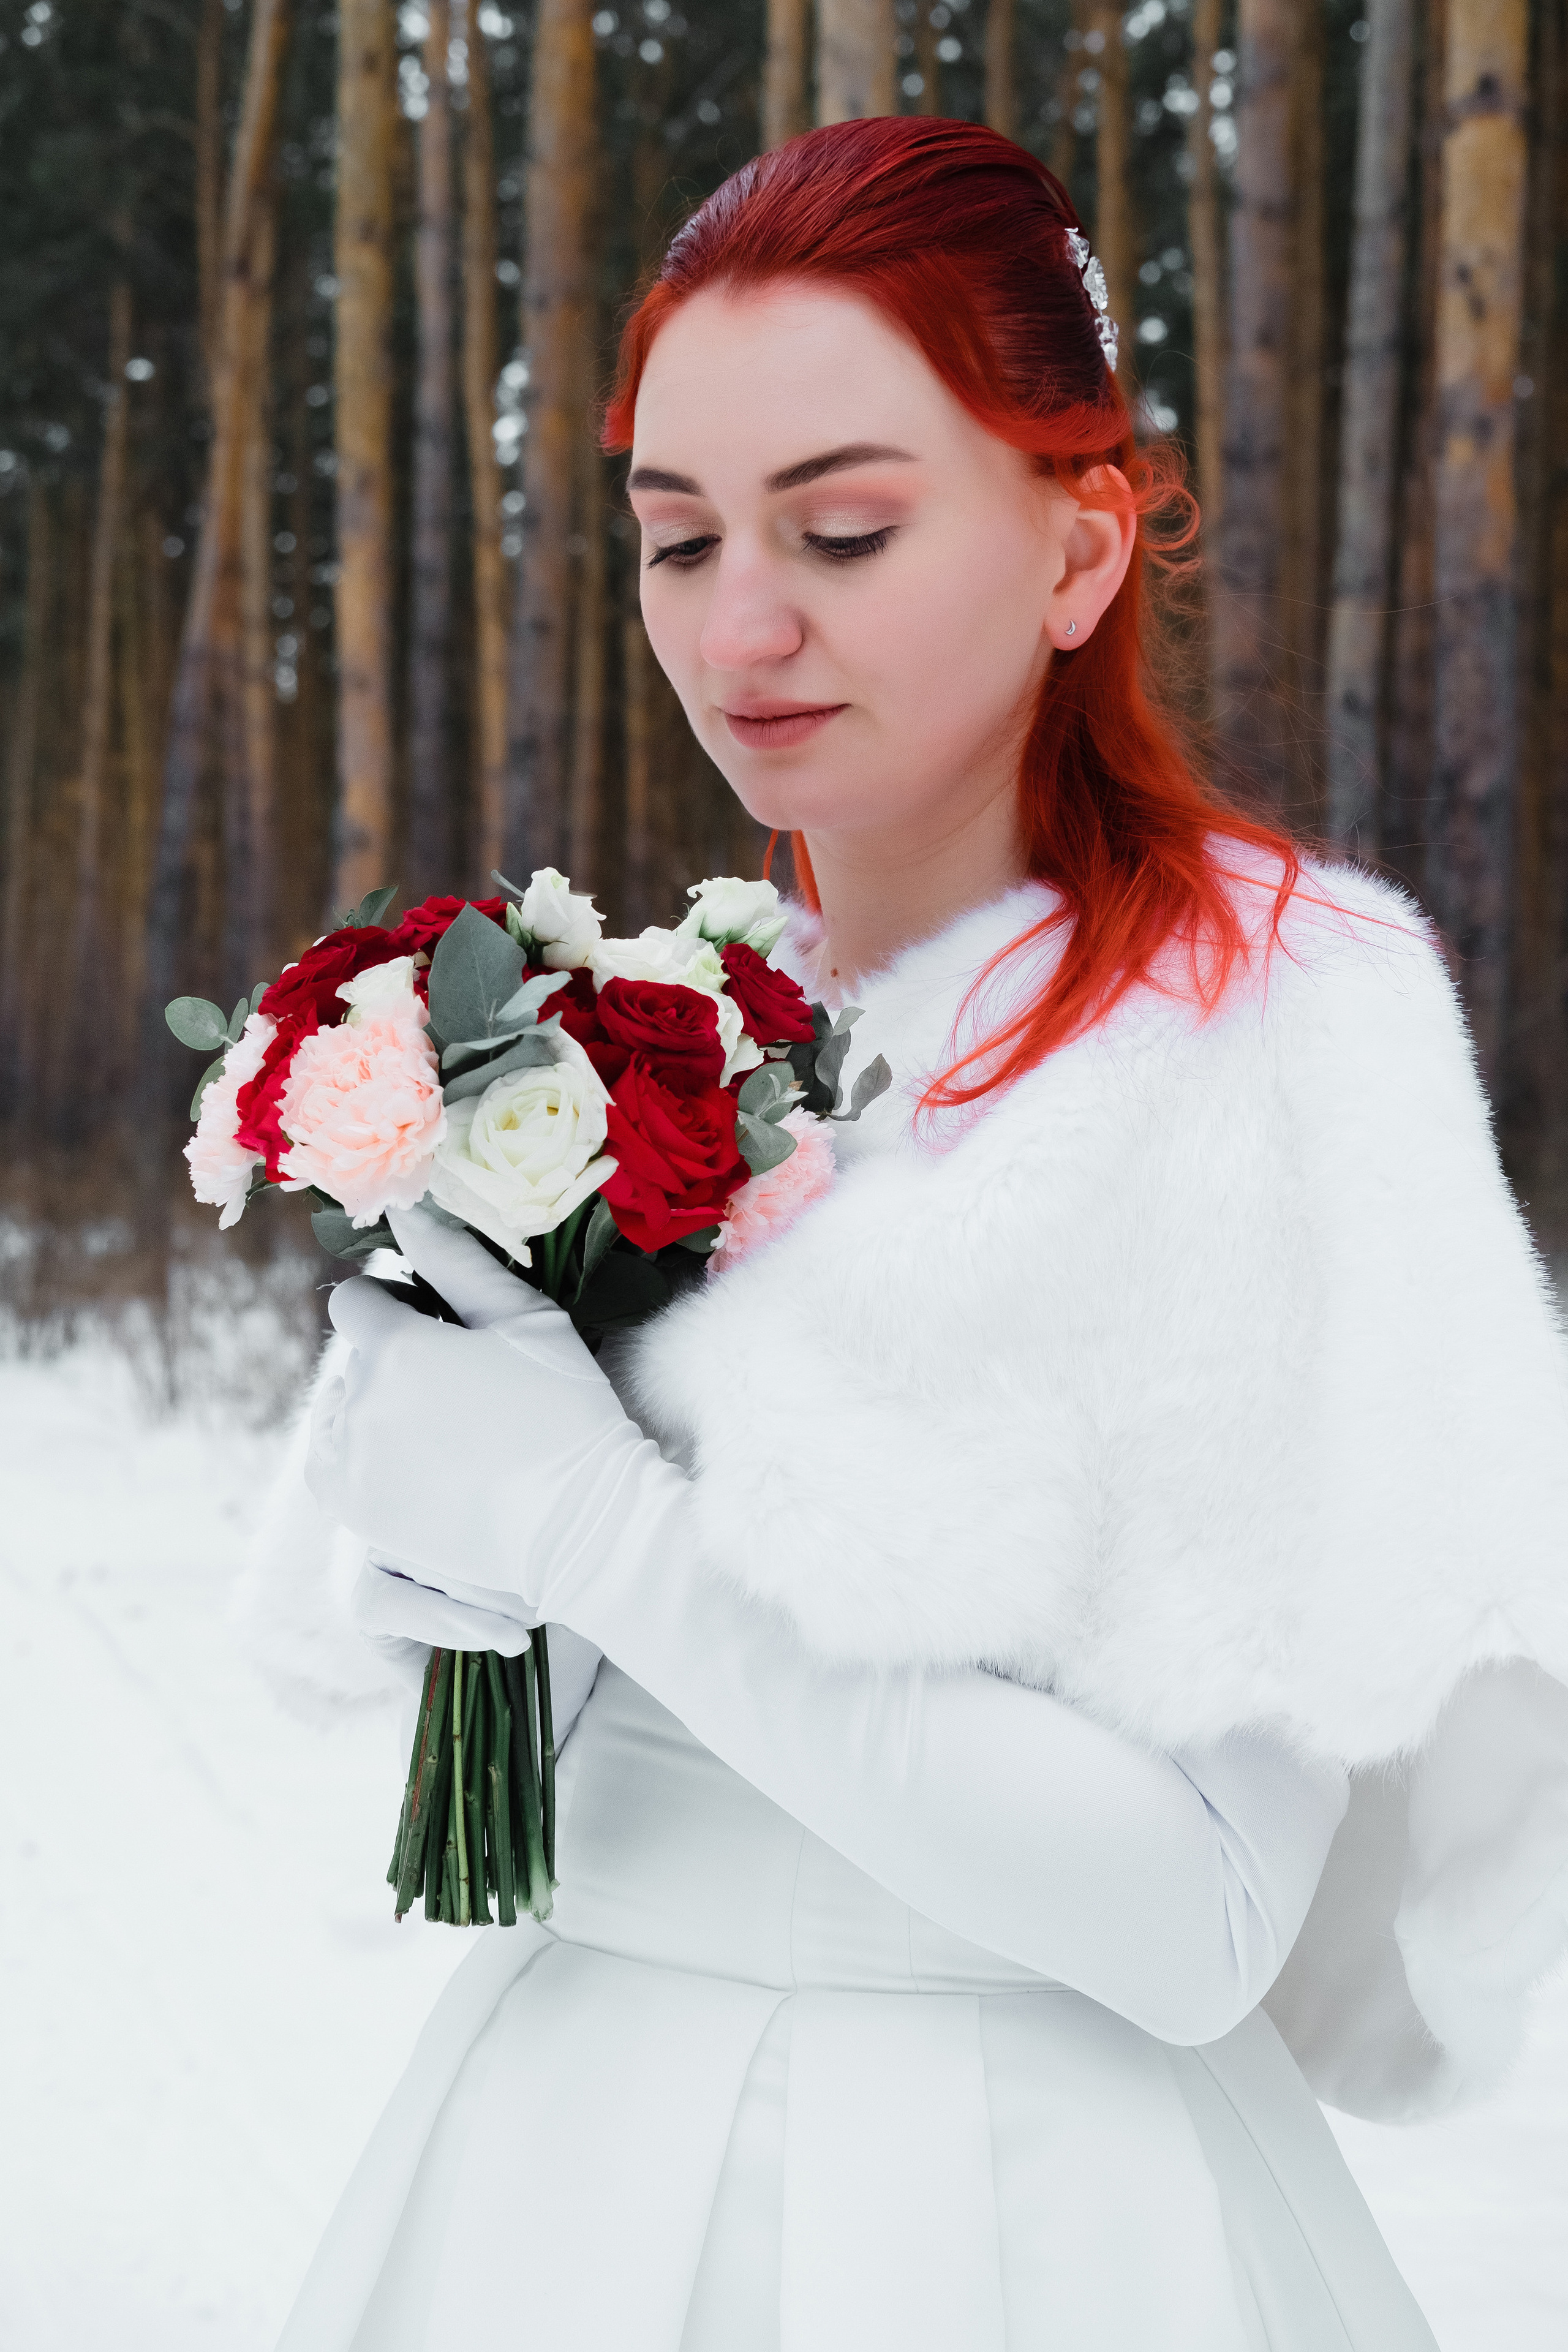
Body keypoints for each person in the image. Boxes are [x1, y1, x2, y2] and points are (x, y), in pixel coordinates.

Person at [274, 118, 1568, 2350]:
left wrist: (592, 1522)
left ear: (1081, 552)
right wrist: (404, 1520)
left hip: (1042, 2212)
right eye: (676, 540)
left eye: (846, 529)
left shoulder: (1276, 1039)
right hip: (567, 2183)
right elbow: (395, 1709)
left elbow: (1203, 1914)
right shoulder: (661, 1028)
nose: (737, 626)